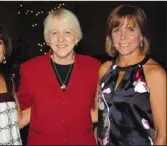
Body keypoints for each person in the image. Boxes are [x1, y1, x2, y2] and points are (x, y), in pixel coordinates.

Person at [17, 8, 101, 145]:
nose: (61, 39)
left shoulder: (94, 67)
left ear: (76, 37)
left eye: (67, 32)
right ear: (48, 39)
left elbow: (99, 113)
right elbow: (23, 113)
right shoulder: (29, 69)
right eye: (54, 33)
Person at [93, 5, 166, 145]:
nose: (123, 36)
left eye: (130, 29)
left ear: (141, 36)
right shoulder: (105, 69)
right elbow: (97, 114)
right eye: (117, 30)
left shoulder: (154, 73)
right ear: (110, 36)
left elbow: (162, 134)